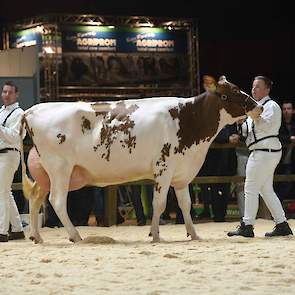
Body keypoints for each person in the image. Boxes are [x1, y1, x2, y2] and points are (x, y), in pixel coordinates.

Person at [228, 76, 293, 238]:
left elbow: (265, 125)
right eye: (253, 86)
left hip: (264, 151)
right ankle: (282, 224)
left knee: (250, 187)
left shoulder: (271, 106)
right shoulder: (254, 109)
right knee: (266, 190)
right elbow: (245, 132)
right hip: (262, 152)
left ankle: (247, 225)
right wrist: (241, 120)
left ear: (267, 89)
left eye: (257, 87)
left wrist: (252, 114)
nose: (253, 89)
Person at [0, 81, 26, 242]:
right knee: (5, 192)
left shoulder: (19, 113)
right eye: (4, 92)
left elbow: (15, 136)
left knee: (1, 192)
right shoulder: (1, 111)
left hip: (10, 154)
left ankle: (2, 231)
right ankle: (17, 229)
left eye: (10, 92)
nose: (6, 95)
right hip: (1, 155)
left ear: (16, 94)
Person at [274, 100, 295, 203]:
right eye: (284, 109)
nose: (286, 111)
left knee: (288, 184)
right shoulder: (278, 124)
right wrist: (290, 139)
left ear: (293, 111)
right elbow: (276, 137)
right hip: (279, 159)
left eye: (289, 109)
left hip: (291, 160)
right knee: (278, 184)